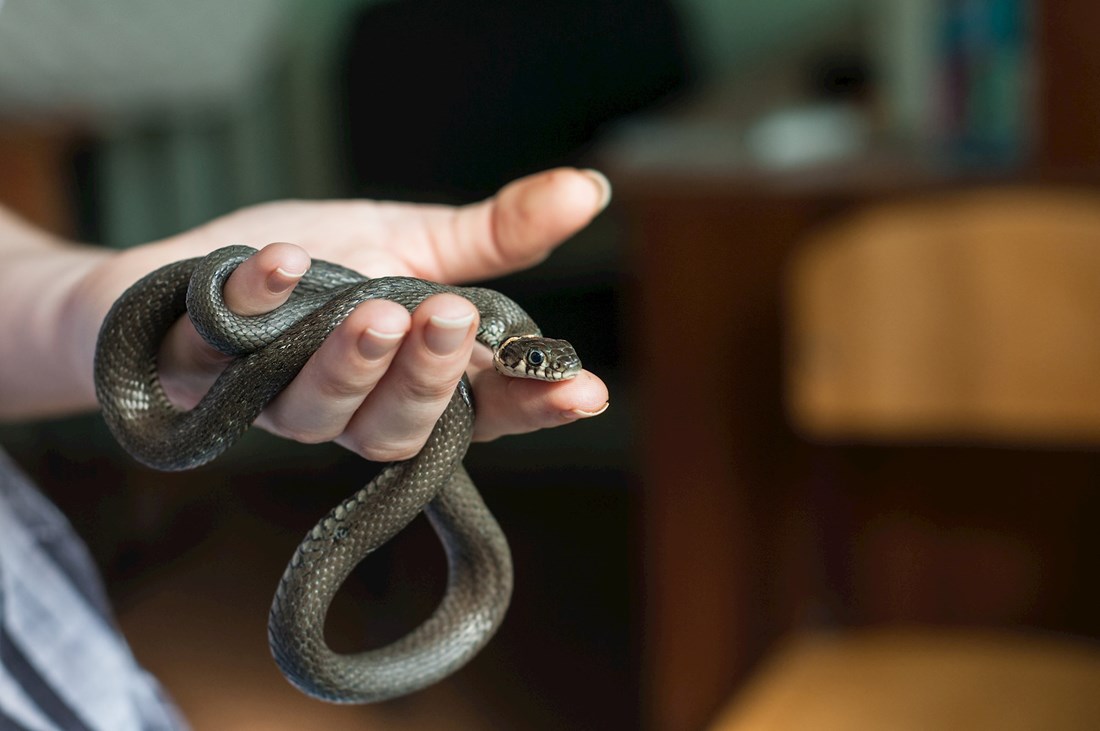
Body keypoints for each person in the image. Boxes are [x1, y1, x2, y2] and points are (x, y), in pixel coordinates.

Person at [0, 167, 611, 730]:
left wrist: (79, 306)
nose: (543, 372)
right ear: (509, 351)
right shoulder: (455, 324)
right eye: (534, 363)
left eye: (549, 364)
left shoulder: (494, 328)